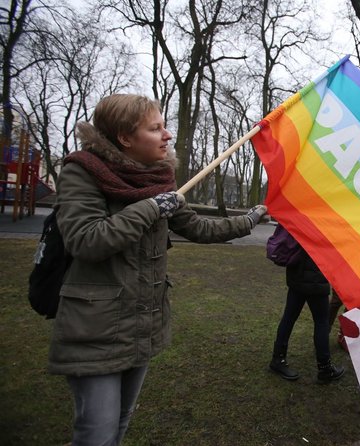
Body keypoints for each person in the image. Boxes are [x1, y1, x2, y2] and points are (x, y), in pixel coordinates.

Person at [49, 93, 267, 446]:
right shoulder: (82, 172)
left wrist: (249, 220)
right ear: (125, 137)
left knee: (120, 422)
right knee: (95, 435)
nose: (168, 135)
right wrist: (150, 207)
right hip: (96, 327)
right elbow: (86, 240)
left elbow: (199, 228)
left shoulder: (157, 179)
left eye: (165, 126)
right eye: (156, 128)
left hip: (143, 321)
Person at [269, 242, 345, 383]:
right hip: (316, 277)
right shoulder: (325, 223)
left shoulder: (303, 220)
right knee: (321, 322)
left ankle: (277, 358)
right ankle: (325, 368)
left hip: (297, 274)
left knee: (289, 318)